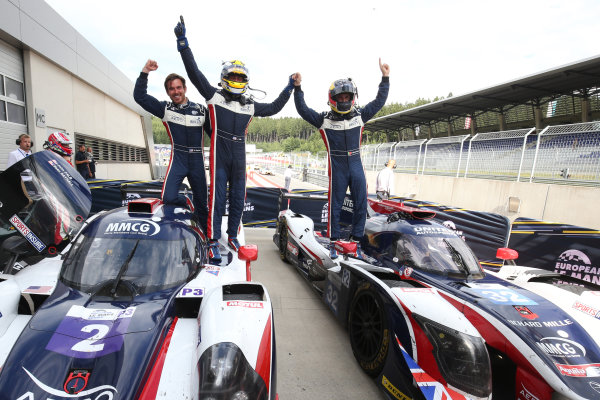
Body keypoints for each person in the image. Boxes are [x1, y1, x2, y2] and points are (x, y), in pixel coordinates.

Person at [174, 17, 297, 261]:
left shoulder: (249, 104)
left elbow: (273, 108)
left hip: (239, 160)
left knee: (238, 200)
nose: (238, 81)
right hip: (220, 157)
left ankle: (232, 236)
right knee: (217, 201)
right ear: (224, 77)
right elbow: (194, 73)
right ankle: (211, 241)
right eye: (235, 77)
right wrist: (183, 42)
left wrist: (289, 88)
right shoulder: (214, 96)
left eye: (242, 78)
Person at [293, 59, 390, 259]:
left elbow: (379, 101)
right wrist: (298, 88)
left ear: (353, 97)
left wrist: (385, 78)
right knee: (335, 206)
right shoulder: (323, 120)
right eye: (341, 96)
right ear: (333, 98)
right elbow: (303, 109)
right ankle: (333, 242)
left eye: (347, 96)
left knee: (361, 204)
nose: (344, 99)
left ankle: (356, 242)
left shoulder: (360, 116)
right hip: (337, 168)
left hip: (356, 166)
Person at [133, 59, 210, 233]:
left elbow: (215, 134)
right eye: (171, 89)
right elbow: (140, 97)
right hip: (179, 159)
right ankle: (186, 204)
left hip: (197, 160)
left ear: (185, 88)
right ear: (168, 92)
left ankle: (206, 237)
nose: (176, 92)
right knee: (168, 197)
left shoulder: (201, 110)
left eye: (178, 87)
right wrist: (145, 72)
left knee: (203, 205)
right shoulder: (165, 108)